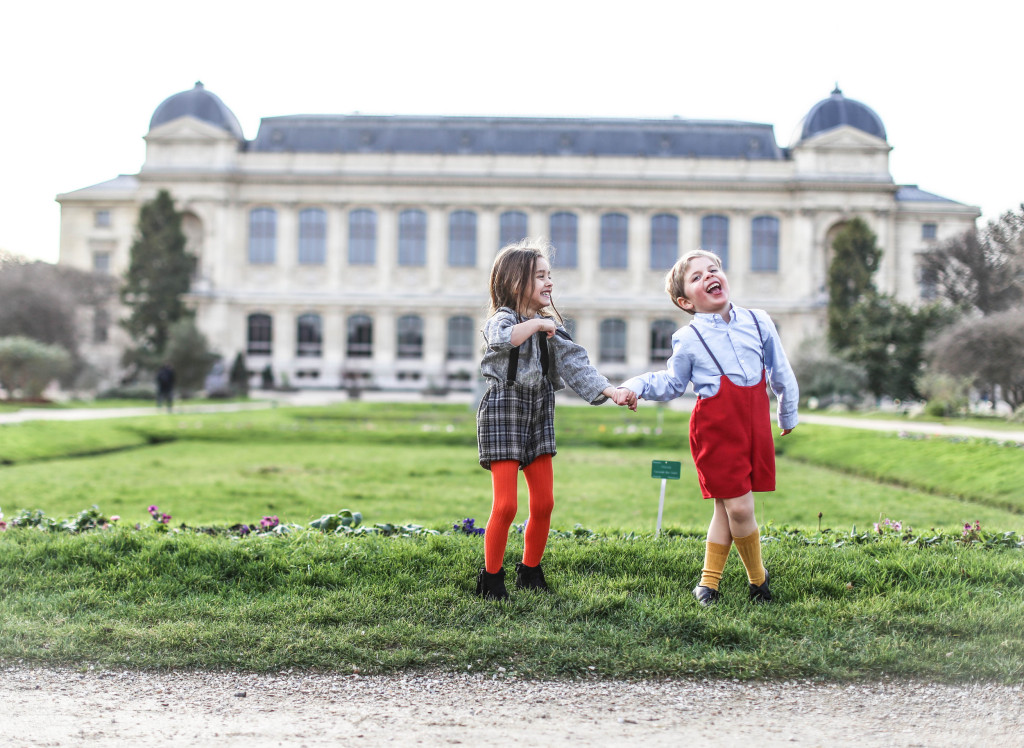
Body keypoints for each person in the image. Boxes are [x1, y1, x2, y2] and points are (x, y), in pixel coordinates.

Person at [620, 249, 798, 606]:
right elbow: (671, 383)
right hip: (715, 430)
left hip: (754, 426)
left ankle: (708, 584)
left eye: (713, 269)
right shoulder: (688, 339)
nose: (709, 276)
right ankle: (759, 583)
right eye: (697, 277)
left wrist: (787, 413)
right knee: (741, 509)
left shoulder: (759, 321)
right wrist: (635, 386)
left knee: (726, 508)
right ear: (686, 301)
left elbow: (781, 371)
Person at [475, 238, 636, 600]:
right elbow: (502, 339)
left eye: (550, 276)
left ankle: (530, 571)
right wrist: (536, 326)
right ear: (516, 282)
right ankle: (491, 578)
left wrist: (611, 392)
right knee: (506, 505)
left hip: (539, 408)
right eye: (540, 277)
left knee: (544, 503)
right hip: (505, 409)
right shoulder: (504, 319)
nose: (549, 283)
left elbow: (577, 364)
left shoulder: (550, 326)